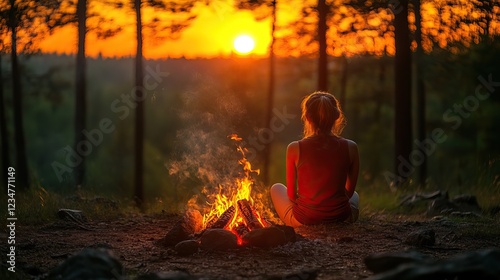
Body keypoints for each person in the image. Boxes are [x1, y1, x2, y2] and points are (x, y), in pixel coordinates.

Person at [270, 91, 360, 227]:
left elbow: (292, 195)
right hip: (342, 218)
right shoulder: (351, 147)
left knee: (276, 188)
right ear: (336, 116)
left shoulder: (294, 148)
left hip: (303, 220)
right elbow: (349, 192)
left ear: (307, 117)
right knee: (356, 196)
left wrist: (311, 205)